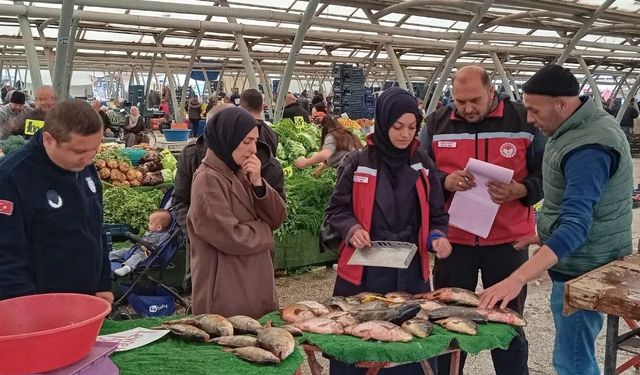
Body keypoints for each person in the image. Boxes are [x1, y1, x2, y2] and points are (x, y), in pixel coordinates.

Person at [480, 65, 634, 375]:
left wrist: (517, 278)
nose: (531, 119)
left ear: (562, 104)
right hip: (579, 258)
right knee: (572, 351)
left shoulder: (588, 148)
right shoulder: (576, 129)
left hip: (583, 267)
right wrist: (541, 234)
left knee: (572, 360)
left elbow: (577, 224)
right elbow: (578, 202)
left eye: (535, 111)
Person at [419, 65, 545, 375]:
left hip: (508, 243)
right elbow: (419, 171)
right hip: (454, 243)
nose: (467, 108)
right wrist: (445, 181)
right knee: (448, 322)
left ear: (492, 92)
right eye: (460, 101)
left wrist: (521, 189)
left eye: (474, 100)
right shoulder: (437, 123)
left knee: (507, 324)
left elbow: (550, 175)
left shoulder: (522, 120)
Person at [326, 87, 451, 374]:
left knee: (406, 348)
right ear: (383, 123)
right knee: (357, 345)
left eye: (411, 127)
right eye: (397, 127)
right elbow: (336, 211)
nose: (405, 134)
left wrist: (437, 237)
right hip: (363, 273)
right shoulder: (358, 162)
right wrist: (352, 229)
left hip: (408, 273)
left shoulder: (422, 164)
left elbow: (437, 214)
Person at [0, 100, 113, 304]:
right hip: (41, 306)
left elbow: (96, 226)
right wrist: (27, 309)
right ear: (49, 139)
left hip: (84, 300)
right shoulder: (12, 178)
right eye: (79, 152)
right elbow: (6, 255)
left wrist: (103, 282)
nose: (87, 159)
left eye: (94, 150)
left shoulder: (84, 168)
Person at [173, 92, 285, 293]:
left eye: (255, 140)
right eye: (247, 141)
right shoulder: (208, 178)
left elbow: (277, 218)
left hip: (253, 273)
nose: (253, 149)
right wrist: (264, 231)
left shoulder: (244, 169)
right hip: (227, 281)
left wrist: (258, 183)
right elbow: (230, 236)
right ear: (228, 138)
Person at [110, 209, 172, 276]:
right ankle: (103, 258)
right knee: (121, 251)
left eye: (150, 223)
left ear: (159, 227)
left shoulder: (163, 236)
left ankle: (126, 268)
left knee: (136, 258)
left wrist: (147, 247)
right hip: (135, 249)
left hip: (146, 254)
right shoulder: (151, 232)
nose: (148, 224)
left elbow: (158, 248)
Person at [294, 115, 362, 175]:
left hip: (348, 170)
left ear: (324, 127)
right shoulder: (347, 134)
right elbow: (338, 153)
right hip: (358, 168)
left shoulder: (332, 135)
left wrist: (306, 162)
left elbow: (325, 154)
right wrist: (321, 169)